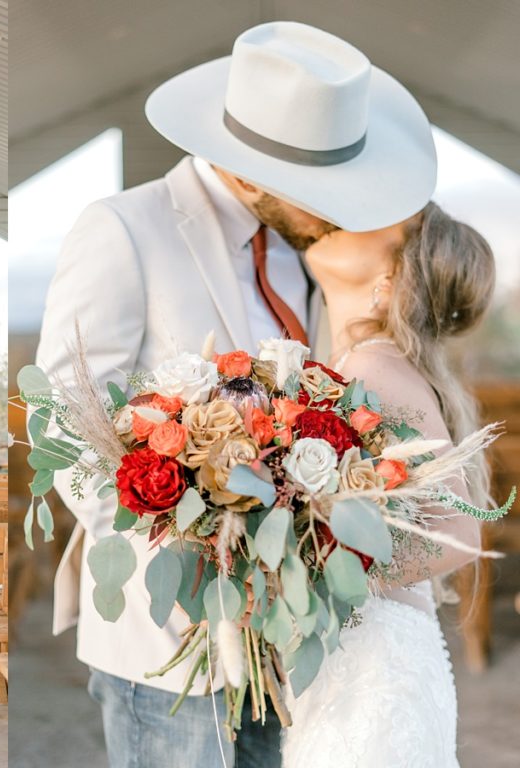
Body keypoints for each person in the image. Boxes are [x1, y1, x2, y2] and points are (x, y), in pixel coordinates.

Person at [35, 20, 437, 768]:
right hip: (170, 643)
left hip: (281, 640)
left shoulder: (294, 259)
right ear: (251, 173)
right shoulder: (125, 230)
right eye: (324, 191)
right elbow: (65, 426)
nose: (341, 213)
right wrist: (191, 567)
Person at [281, 204, 495, 767]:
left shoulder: (375, 370)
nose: (340, 219)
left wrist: (315, 573)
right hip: (359, 663)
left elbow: (459, 530)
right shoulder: (364, 363)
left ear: (391, 279)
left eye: (377, 220)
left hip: (375, 677)